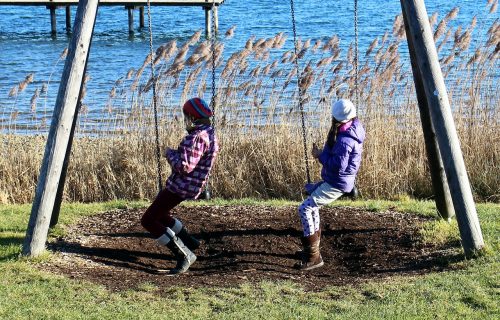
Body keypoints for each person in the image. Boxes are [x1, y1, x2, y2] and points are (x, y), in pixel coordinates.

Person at [141, 97, 219, 274]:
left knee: (148, 220)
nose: (185, 121)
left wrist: (169, 154)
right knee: (161, 215)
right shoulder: (209, 133)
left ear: (192, 117)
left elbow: (185, 166)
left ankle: (184, 254)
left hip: (181, 186)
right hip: (190, 185)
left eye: (186, 117)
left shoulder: (197, 137)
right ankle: (190, 241)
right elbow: (194, 158)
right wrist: (178, 153)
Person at [295, 98, 365, 270]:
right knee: (313, 204)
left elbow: (338, 166)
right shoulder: (347, 130)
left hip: (338, 183)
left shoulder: (346, 140)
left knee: (304, 208)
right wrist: (322, 153)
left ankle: (314, 256)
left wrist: (320, 155)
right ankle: (313, 248)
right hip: (335, 180)